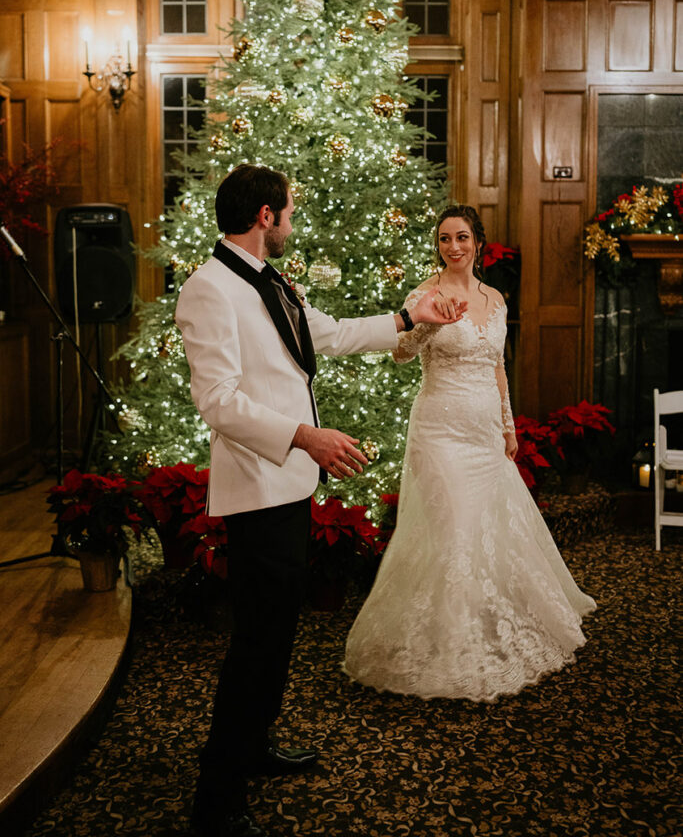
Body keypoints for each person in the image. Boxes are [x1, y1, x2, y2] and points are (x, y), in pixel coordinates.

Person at [175, 164, 465, 837]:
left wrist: (404, 315)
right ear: (266, 216)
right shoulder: (208, 288)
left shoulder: (275, 280)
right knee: (254, 642)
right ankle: (214, 802)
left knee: (277, 634)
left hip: (288, 485)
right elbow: (215, 401)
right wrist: (303, 435)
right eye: (290, 210)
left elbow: (326, 336)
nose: (293, 219)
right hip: (256, 488)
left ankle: (252, 747)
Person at [344, 204, 596, 703]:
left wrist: (507, 426)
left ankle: (483, 624)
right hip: (439, 431)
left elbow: (497, 365)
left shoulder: (495, 299)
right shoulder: (425, 294)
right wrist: (430, 324)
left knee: (486, 529)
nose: (452, 247)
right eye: (443, 239)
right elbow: (400, 352)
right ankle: (448, 647)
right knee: (453, 530)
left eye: (461, 237)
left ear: (478, 242)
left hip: (483, 431)